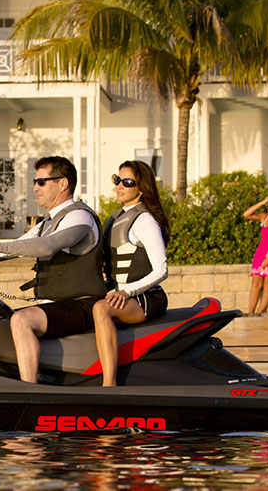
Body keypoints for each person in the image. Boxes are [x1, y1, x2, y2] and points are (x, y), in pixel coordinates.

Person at [0, 156, 105, 383]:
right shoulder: (48, 222)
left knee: (22, 320)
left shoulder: (80, 216)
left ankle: (29, 390)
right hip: (57, 305)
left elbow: (47, 245)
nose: (35, 188)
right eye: (35, 181)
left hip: (82, 304)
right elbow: (17, 246)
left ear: (63, 183)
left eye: (41, 181)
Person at [93, 160, 169, 387]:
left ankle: (109, 384)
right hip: (121, 294)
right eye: (117, 180)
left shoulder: (145, 221)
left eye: (127, 182)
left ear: (142, 188)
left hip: (146, 297)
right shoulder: (116, 217)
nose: (119, 186)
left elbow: (161, 270)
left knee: (101, 309)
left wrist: (127, 292)